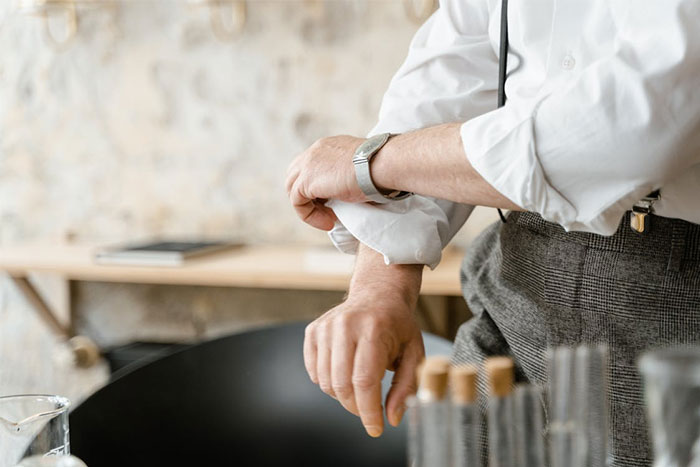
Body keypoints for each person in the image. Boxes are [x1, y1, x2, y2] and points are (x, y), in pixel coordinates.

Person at [285, 0, 700, 465]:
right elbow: (454, 68)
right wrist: (381, 286)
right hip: (513, 305)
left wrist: (375, 164)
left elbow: (641, 121)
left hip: (679, 315)